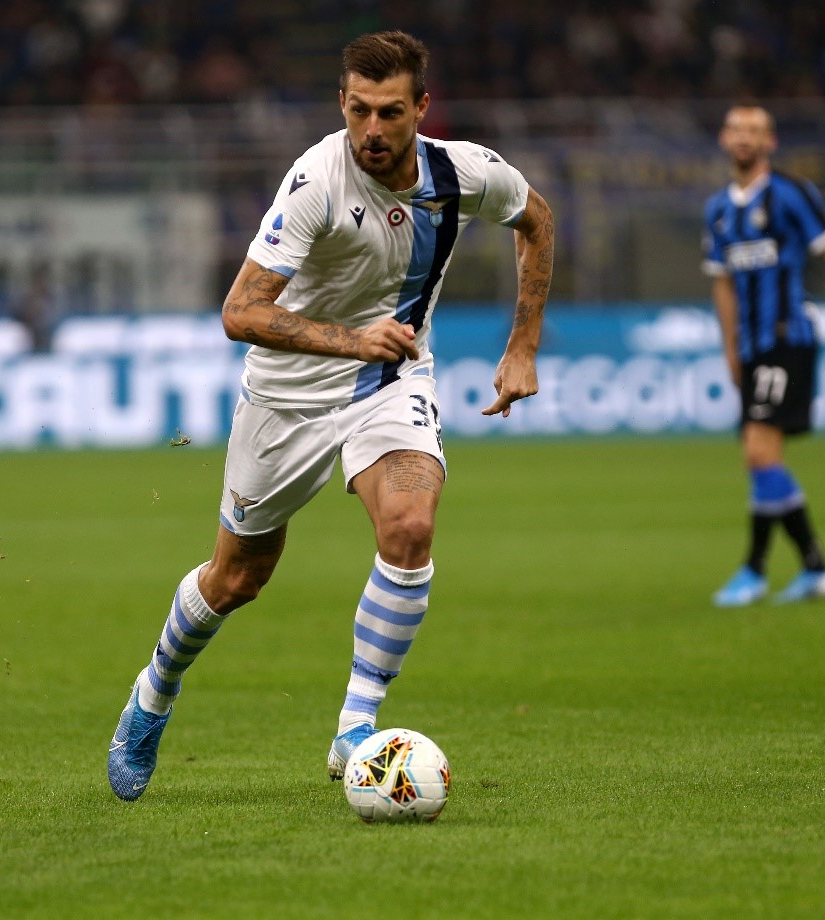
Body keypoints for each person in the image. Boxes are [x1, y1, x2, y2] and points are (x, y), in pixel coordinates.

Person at [106, 30, 555, 800]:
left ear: (420, 107)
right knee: (237, 577)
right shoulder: (318, 177)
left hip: (389, 382)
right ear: (340, 105)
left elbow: (536, 219)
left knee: (410, 527)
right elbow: (240, 311)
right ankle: (152, 695)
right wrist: (351, 338)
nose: (371, 131)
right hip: (284, 400)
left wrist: (522, 346)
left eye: (388, 112)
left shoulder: (463, 173)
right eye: (357, 111)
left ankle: (355, 725)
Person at [702, 103, 825, 607]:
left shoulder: (791, 194)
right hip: (752, 347)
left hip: (789, 337)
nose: (745, 138)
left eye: (755, 130)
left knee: (759, 453)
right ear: (723, 138)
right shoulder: (718, 208)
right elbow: (722, 286)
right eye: (737, 128)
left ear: (771, 141)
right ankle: (813, 567)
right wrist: (730, 349)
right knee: (761, 457)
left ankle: (757, 570)